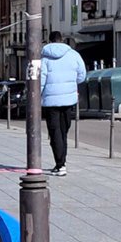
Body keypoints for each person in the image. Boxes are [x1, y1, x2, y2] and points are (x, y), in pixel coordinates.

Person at [40, 31, 87, 176]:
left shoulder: (44, 58)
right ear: (62, 40)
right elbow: (82, 75)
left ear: (50, 41)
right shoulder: (74, 55)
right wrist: (71, 85)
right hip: (68, 100)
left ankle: (60, 164)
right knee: (63, 131)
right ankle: (62, 162)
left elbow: (41, 79)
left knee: (55, 133)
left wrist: (38, 96)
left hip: (50, 101)